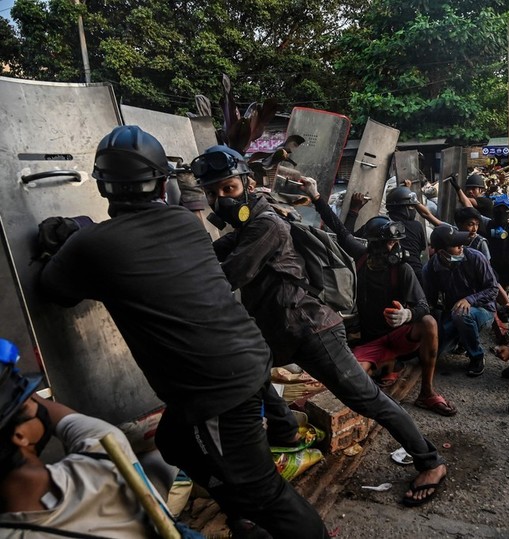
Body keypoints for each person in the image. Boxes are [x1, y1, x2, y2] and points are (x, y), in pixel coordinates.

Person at [36, 126, 322, 538]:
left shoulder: (91, 246)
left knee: (266, 493)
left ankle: (254, 511)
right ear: (162, 184)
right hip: (245, 359)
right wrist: (83, 236)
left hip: (215, 389)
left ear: (102, 186)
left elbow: (54, 290)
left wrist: (70, 236)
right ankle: (243, 516)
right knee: (175, 441)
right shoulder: (185, 222)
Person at [193, 146, 448, 507]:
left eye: (228, 188)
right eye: (212, 193)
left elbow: (227, 276)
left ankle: (430, 461)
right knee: (248, 371)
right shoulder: (249, 225)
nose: (221, 200)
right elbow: (209, 255)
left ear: (248, 185)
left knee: (368, 400)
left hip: (312, 330)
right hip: (280, 332)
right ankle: (285, 428)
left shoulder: (265, 224)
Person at [300, 177, 457, 417]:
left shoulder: (402, 269)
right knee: (350, 380)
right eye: (388, 243)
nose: (393, 248)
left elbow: (424, 306)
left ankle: (427, 392)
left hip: (399, 337)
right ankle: (386, 366)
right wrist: (316, 196)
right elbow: (339, 229)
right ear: (373, 244)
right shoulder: (361, 256)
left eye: (394, 243)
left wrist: (407, 314)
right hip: (372, 342)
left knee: (429, 322)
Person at [0, 338, 161, 538]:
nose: (36, 403)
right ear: (19, 436)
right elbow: (63, 418)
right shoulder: (103, 455)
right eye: (28, 401)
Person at [422, 225, 499, 377]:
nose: (461, 247)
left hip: (483, 309)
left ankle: (476, 356)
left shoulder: (475, 257)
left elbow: (493, 289)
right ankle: (462, 338)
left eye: (461, 244)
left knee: (461, 314)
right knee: (435, 350)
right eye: (456, 246)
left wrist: (470, 300)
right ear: (442, 252)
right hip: (452, 312)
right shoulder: (430, 269)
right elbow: (430, 301)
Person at [347, 186, 427, 288]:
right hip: (417, 278)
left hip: (389, 278)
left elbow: (348, 238)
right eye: (411, 207)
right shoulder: (417, 226)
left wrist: (354, 210)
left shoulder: (380, 225)